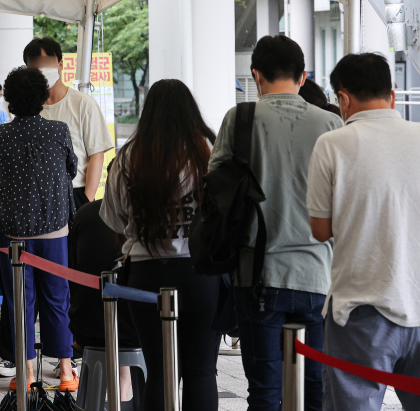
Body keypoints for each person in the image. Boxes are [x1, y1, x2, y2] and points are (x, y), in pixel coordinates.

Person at [208, 35, 343, 411]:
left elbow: (215, 185)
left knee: (265, 392)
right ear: (302, 77)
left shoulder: (240, 119)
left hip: (258, 274)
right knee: (316, 390)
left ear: (256, 75)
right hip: (319, 277)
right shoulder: (331, 123)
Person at [308, 53, 420, 411]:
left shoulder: (332, 145)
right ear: (392, 93)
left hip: (361, 311)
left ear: (342, 99)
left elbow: (320, 229)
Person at [101, 79, 223, 411]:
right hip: (200, 274)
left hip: (144, 278)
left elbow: (114, 221)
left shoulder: (128, 156)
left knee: (158, 373)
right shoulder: (209, 151)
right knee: (201, 372)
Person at [0, 66, 79, 392]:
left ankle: (26, 374)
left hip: (13, 235)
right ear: (44, 98)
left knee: (19, 302)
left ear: (9, 101)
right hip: (54, 228)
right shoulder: (59, 130)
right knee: (57, 299)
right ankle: (67, 373)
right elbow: (71, 167)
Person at [69, 160, 139, 402]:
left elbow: (72, 271)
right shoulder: (148, 216)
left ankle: (109, 395)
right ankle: (122, 395)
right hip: (137, 332)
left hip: (86, 327)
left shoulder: (85, 213)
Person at [23, 37, 114, 209]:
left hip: (75, 192)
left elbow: (96, 153)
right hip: (37, 196)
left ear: (61, 64)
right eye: (35, 65)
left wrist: (87, 199)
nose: (42, 69)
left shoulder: (83, 104)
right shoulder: (26, 108)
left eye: (47, 62)